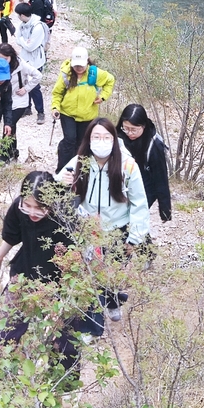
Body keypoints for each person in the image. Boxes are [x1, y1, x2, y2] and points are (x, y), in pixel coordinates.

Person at [56, 118, 151, 325]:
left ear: (114, 139)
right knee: (89, 273)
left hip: (117, 230)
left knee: (112, 273)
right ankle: (91, 322)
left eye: (106, 137)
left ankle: (113, 301)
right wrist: (62, 182)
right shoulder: (80, 161)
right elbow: (54, 185)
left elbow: (139, 203)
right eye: (96, 137)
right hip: (88, 229)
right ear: (89, 139)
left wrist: (134, 238)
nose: (101, 141)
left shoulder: (127, 165)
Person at [0, 171, 81, 377]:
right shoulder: (18, 207)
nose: (32, 212)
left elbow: (75, 258)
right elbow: (12, 235)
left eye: (39, 208)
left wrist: (64, 300)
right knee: (3, 332)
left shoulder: (65, 213)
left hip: (60, 280)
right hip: (25, 272)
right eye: (27, 205)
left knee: (65, 339)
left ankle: (66, 385)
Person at [51, 46, 115, 172]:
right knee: (69, 140)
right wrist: (55, 107)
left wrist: (102, 96)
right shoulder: (66, 74)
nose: (78, 68)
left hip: (88, 115)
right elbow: (57, 93)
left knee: (82, 143)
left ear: (87, 62)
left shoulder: (94, 74)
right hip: (68, 113)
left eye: (81, 65)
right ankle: (62, 171)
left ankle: (79, 171)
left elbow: (110, 80)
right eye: (76, 65)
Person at [116, 104, 172, 223]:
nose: (129, 133)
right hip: (121, 183)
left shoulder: (154, 145)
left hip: (145, 186)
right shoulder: (117, 137)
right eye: (126, 128)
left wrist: (165, 211)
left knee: (134, 219)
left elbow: (161, 179)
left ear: (143, 126)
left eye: (134, 130)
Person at [0, 42, 43, 162]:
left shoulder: (21, 65)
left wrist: (26, 88)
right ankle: (13, 153)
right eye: (1, 59)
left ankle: (3, 156)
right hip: (5, 101)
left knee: (9, 125)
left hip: (19, 101)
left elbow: (38, 75)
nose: (4, 62)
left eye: (6, 59)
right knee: (12, 127)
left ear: (11, 56)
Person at [13, 2, 47, 124]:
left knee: (34, 86)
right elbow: (18, 40)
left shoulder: (37, 27)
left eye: (18, 15)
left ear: (22, 15)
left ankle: (40, 112)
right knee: (24, 82)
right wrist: (24, 41)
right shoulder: (22, 25)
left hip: (36, 60)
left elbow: (30, 47)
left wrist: (23, 40)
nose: (18, 17)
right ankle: (27, 108)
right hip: (24, 58)